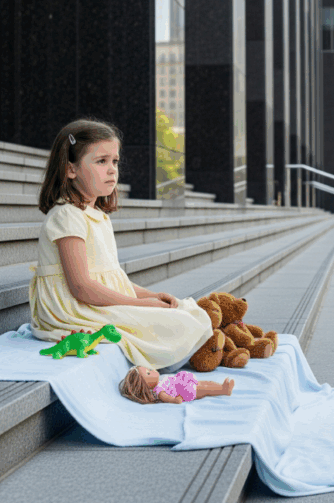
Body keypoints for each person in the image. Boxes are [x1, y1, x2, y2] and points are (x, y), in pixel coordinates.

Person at [30, 119, 214, 369]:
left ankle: (209, 348)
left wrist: (151, 295)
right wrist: (141, 304)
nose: (112, 170)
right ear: (70, 169)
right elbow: (81, 287)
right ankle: (205, 353)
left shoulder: (99, 216)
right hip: (75, 310)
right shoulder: (67, 216)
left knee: (185, 309)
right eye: (101, 161)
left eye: (114, 161)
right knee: (178, 322)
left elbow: (112, 278)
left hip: (97, 301)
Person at [119, 366, 235, 404]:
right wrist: (175, 400)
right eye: (148, 373)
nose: (152, 370)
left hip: (187, 384)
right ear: (145, 386)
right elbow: (166, 397)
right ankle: (223, 390)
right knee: (205, 389)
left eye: (149, 369)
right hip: (186, 391)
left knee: (206, 383)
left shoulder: (160, 381)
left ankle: (222, 387)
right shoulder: (158, 390)